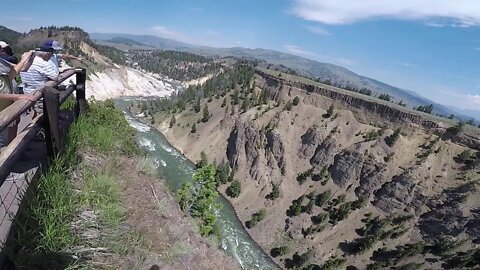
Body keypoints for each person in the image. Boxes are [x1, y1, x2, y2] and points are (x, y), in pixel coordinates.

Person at [0, 52, 36, 148]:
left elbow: (14, 73)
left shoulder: (2, 62)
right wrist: (17, 96)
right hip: (2, 113)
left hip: (7, 110)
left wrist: (28, 60)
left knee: (8, 143)